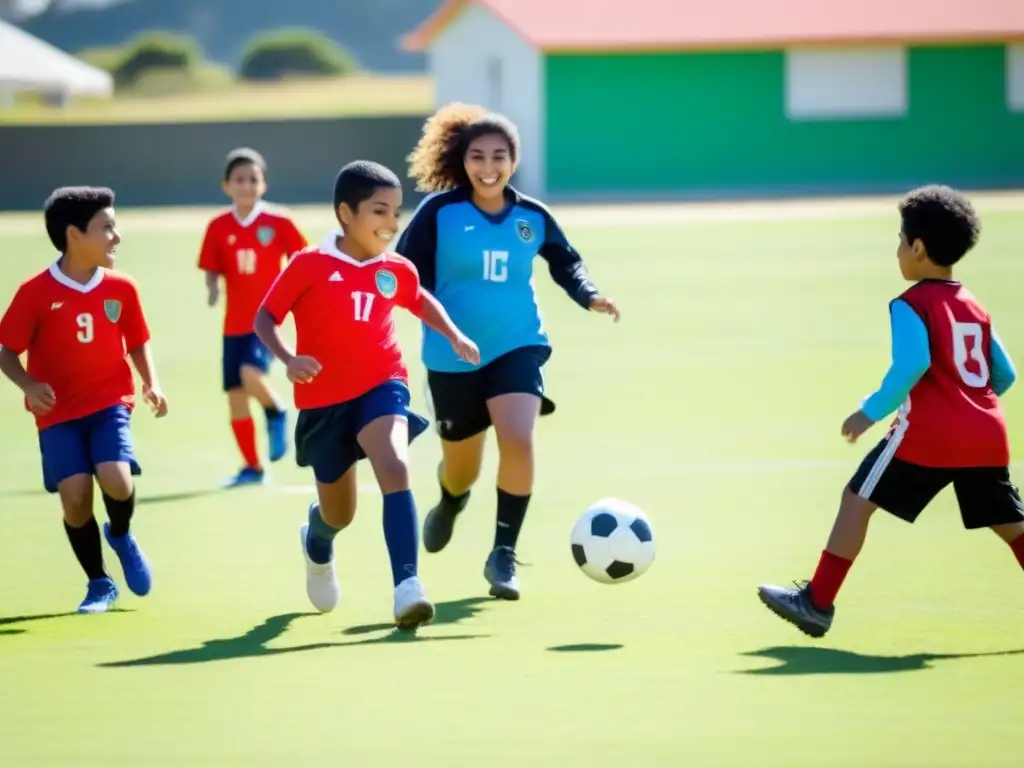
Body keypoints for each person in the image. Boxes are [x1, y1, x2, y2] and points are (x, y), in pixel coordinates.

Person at [758, 185, 1023, 638]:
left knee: (857, 500)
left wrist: (870, 412)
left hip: (930, 437)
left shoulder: (911, 304)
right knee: (1012, 526)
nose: (897, 250)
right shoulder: (974, 306)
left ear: (918, 249)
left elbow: (913, 362)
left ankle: (817, 602)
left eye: (901, 241)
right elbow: (1005, 375)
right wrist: (967, 401)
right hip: (987, 435)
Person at [395, 102, 620, 600]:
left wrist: (590, 295)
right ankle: (452, 501)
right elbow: (403, 272)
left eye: (499, 156)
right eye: (478, 156)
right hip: (452, 356)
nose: (488, 166)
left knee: (517, 437)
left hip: (519, 344)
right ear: (463, 161)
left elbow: (567, 262)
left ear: (513, 161)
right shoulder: (439, 211)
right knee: (462, 468)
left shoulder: (532, 217)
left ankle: (503, 553)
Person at [254, 160, 480, 629]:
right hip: (323, 404)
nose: (391, 224)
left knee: (394, 463)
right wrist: (289, 358)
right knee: (340, 513)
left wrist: (454, 334)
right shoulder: (308, 265)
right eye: (380, 211)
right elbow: (265, 319)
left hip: (382, 385)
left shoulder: (394, 268)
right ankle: (317, 541)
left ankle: (407, 587)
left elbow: (418, 298)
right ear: (345, 213)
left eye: (396, 212)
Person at [0, 186, 168, 614]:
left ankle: (121, 533)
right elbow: (5, 348)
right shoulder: (35, 291)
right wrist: (28, 385)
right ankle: (99, 583)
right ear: (74, 235)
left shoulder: (122, 288)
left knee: (116, 477)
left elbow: (138, 339)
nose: (116, 236)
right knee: (75, 497)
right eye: (106, 227)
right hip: (56, 413)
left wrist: (151, 382)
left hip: (110, 401)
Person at [197, 148, 307, 487]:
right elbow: (212, 267)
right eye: (239, 180)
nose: (246, 186)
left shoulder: (279, 221)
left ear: (264, 184)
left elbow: (302, 260)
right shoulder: (218, 226)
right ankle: (252, 467)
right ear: (226, 185)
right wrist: (213, 286)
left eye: (253, 179)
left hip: (266, 321)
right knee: (236, 395)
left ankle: (276, 411)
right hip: (233, 325)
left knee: (249, 374)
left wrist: (300, 294)